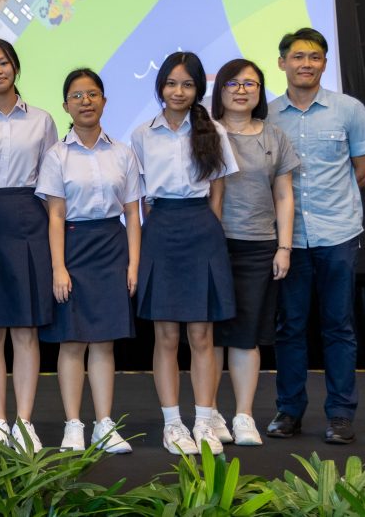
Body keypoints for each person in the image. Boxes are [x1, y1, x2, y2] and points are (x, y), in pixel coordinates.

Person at [131, 51, 238, 456]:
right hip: (160, 228)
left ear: (198, 89)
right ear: (160, 86)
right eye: (172, 83)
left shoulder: (214, 131)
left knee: (202, 334)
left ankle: (205, 420)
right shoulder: (142, 134)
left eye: (188, 84)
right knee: (166, 335)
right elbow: (140, 196)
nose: (178, 91)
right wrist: (152, 231)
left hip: (202, 228)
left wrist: (209, 230)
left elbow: (218, 192)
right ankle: (173, 424)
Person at [267, 27, 365, 444]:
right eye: (298, 56)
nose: (306, 64)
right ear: (282, 63)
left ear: (324, 63)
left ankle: (341, 415)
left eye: (314, 57)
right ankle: (289, 411)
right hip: (288, 240)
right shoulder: (267, 115)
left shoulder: (350, 109)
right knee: (290, 327)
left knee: (338, 326)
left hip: (337, 233)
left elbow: (360, 169)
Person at [37, 68, 141, 454]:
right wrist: (58, 267)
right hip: (73, 246)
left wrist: (133, 264)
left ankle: (104, 424)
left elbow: (132, 213)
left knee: (104, 342)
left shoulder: (123, 153)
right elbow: (55, 216)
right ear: (66, 106)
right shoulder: (57, 155)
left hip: (112, 246)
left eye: (93, 94)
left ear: (104, 101)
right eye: (77, 96)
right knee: (72, 341)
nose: (86, 101)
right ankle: (73, 425)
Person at [0, 39, 56, 454]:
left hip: (28, 220)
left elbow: (53, 181)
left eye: (3, 62)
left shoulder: (41, 120)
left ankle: (24, 422)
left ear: (16, 67)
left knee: (25, 328)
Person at [207, 58, 297, 447]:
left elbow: (284, 194)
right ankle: (209, 414)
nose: (242, 90)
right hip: (211, 245)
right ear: (220, 90)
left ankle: (243, 416)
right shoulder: (205, 132)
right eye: (233, 83)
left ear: (260, 91)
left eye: (250, 84)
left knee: (247, 336)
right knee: (209, 336)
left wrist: (284, 247)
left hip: (259, 246)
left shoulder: (274, 135)